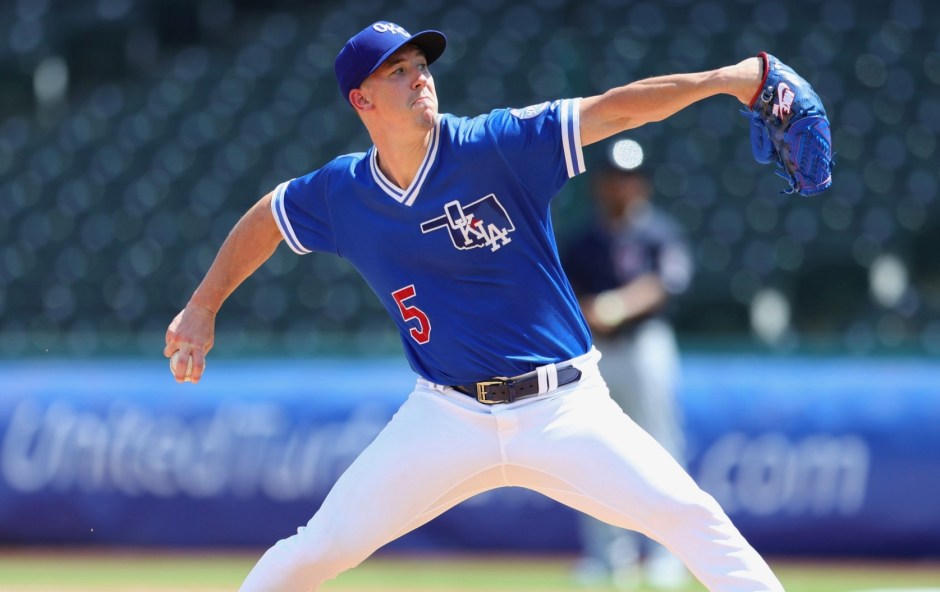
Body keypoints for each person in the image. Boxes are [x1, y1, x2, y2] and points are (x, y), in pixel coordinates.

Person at [164, 20, 786, 591]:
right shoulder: (342, 191)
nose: (420, 78)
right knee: (319, 548)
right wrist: (202, 306)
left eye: (421, 65)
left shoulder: (495, 144)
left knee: (691, 516)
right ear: (361, 99)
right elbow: (269, 216)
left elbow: (614, 109)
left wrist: (730, 79)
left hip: (562, 407)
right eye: (397, 71)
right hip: (445, 416)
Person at [562, 162, 694, 589]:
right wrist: (592, 311)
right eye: (615, 176)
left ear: (642, 183)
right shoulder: (584, 240)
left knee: (661, 446)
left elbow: (666, 284)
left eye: (630, 176)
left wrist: (616, 306)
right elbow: (567, 293)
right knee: (595, 448)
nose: (621, 185)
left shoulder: (659, 232)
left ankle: (667, 553)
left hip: (645, 344)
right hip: (597, 351)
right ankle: (607, 557)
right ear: (601, 183)